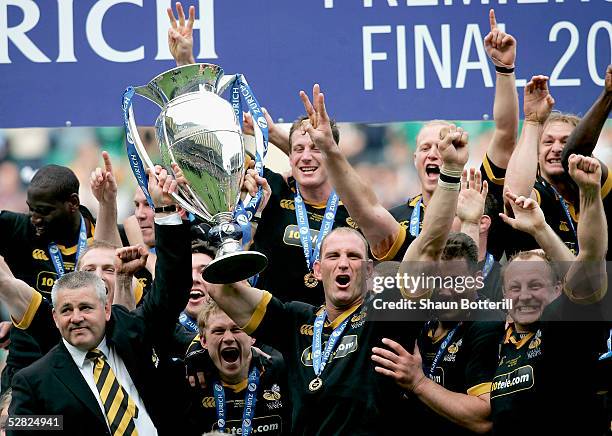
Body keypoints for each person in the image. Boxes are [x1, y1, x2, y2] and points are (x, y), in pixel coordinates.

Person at [166, 2, 354, 305]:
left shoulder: (353, 207)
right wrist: (185, 60)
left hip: (338, 329)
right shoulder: (271, 188)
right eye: (298, 149)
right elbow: (206, 140)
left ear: (332, 153)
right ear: (289, 156)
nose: (306, 156)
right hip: (274, 330)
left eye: (316, 149)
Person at [7, 167, 192, 436]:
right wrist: (63, 424)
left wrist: (165, 212)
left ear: (106, 308)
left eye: (86, 308)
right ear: (55, 317)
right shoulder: (33, 380)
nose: (77, 317)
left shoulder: (137, 334)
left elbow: (173, 287)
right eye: (67, 310)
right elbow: (18, 426)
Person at [371, 164, 503, 434]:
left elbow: (483, 418)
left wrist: (419, 383)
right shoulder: (424, 316)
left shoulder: (485, 323)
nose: (446, 291)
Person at [493, 154, 610, 435]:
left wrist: (590, 194)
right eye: (515, 288)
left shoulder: (565, 326)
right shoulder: (492, 338)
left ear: (558, 289)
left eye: (535, 286)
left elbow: (591, 258)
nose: (524, 296)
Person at [389, 9, 518, 262]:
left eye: (444, 145)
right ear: (414, 158)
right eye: (426, 148)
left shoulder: (480, 197)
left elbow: (505, 135)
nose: (435, 153)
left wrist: (504, 70)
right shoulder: (396, 218)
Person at [0, 164, 97, 391]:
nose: (35, 218)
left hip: (83, 369)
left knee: (60, 427)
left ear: (72, 203)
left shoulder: (102, 236)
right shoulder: (19, 229)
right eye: (31, 209)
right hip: (25, 367)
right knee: (19, 426)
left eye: (43, 211)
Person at [504, 66, 612, 258]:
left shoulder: (595, 184)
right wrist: (532, 121)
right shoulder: (537, 191)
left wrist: (608, 95)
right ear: (536, 152)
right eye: (548, 141)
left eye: (565, 141)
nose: (556, 148)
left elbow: (574, 152)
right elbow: (515, 197)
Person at [186, 301, 290, 435]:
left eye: (237, 329)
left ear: (252, 337)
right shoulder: (193, 381)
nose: (228, 338)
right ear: (203, 341)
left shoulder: (282, 372)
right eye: (218, 331)